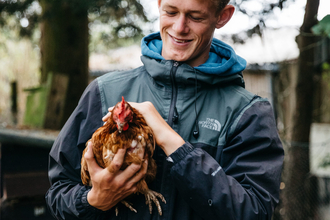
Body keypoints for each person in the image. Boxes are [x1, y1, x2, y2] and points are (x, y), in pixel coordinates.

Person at [45, 0, 284, 219]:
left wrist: (175, 145)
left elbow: (255, 212)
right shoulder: (103, 92)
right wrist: (93, 200)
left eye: (196, 17)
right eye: (170, 11)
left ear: (222, 16)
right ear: (158, 4)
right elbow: (57, 194)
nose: (179, 27)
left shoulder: (246, 112)